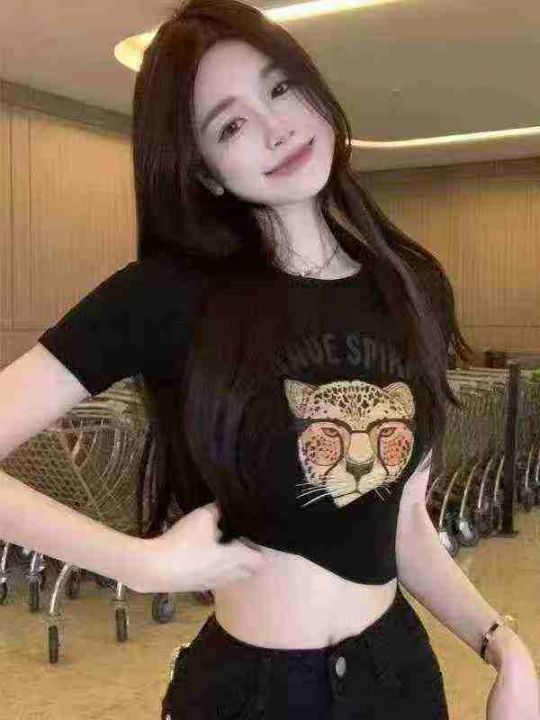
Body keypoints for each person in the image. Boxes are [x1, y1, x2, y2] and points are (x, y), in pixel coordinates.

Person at [1, 1, 538, 718]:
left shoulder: (411, 286)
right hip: (252, 694)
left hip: (398, 679)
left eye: (280, 87)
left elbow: (405, 526)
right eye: (230, 125)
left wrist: (502, 645)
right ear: (206, 172)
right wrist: (139, 563)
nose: (275, 126)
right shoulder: (167, 296)